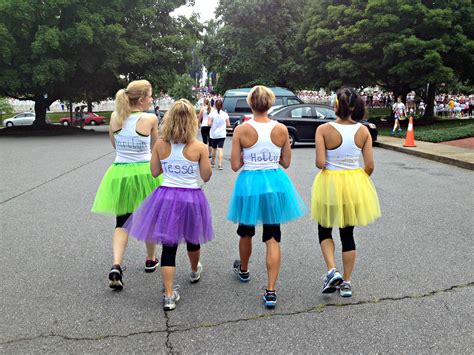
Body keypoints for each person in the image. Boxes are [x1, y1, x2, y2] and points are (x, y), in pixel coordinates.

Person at [124, 99, 213, 311]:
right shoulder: (199, 147)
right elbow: (206, 176)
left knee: (169, 246)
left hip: (166, 196)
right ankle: (194, 270)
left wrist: (170, 164)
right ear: (192, 121)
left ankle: (169, 295)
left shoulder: (160, 145)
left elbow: (155, 172)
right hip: (191, 196)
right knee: (193, 238)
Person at [227, 85, 307, 308]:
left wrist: (249, 158)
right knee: (273, 235)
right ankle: (271, 290)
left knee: (246, 229)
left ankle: (244, 269)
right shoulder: (281, 129)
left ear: (251, 104)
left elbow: (234, 165)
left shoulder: (242, 130)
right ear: (270, 104)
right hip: (274, 182)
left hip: (250, 182)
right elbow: (286, 162)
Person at [91, 80, 163, 290]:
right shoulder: (149, 118)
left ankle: (116, 265)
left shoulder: (115, 116)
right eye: (150, 96)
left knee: (122, 221)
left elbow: (114, 144)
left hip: (120, 171)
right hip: (144, 172)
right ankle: (150, 259)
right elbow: (155, 147)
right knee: (148, 217)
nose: (152, 99)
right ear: (141, 99)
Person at [311, 87, 381, 298]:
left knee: (325, 229)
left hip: (329, 183)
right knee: (348, 233)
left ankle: (332, 270)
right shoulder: (363, 131)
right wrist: (356, 180)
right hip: (353, 183)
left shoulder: (323, 129)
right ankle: (347, 282)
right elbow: (369, 165)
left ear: (335, 105)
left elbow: (320, 163)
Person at [208, 99, 230, 170]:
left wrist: (212, 124)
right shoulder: (225, 114)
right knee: (220, 149)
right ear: (222, 106)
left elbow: (209, 124)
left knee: (214, 149)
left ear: (215, 105)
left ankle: (213, 162)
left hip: (214, 134)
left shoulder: (211, 114)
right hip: (222, 134)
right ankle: (220, 164)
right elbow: (228, 124)